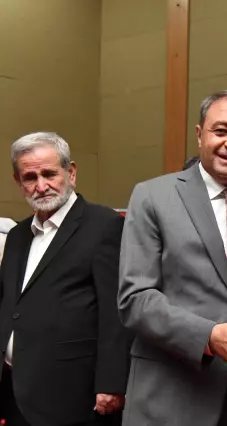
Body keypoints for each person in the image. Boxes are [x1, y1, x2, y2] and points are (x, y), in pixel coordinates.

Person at [118, 90, 227, 426]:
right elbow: (135, 299)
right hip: (173, 396)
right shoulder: (153, 197)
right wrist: (207, 336)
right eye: (221, 130)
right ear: (200, 135)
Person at [0, 132, 131, 425]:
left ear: (70, 173)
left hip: (72, 393)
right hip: (15, 391)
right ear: (18, 181)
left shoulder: (104, 226)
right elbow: (10, 304)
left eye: (49, 174)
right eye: (30, 177)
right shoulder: (18, 235)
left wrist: (112, 382)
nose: (41, 186)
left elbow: (116, 312)